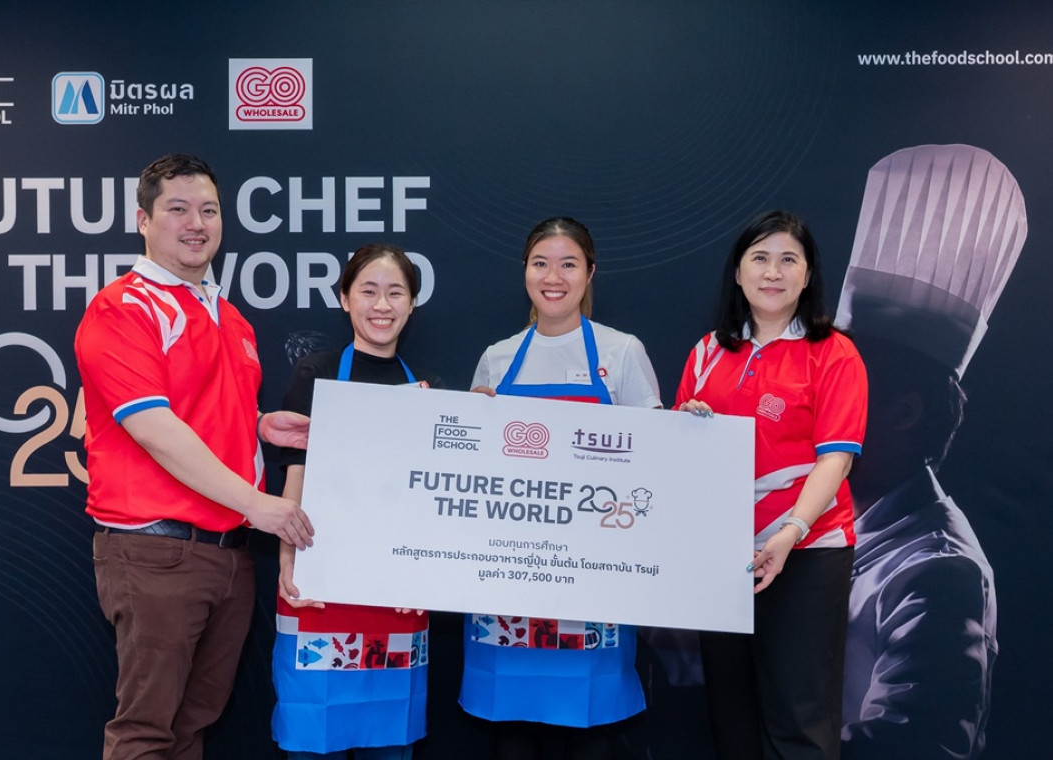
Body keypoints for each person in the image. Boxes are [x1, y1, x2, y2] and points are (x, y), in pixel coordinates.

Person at [74, 153, 315, 760]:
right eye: (177, 209)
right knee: (146, 731)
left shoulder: (229, 317)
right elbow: (155, 428)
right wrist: (259, 504)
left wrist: (260, 425)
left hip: (227, 554)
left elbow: (197, 411)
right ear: (143, 220)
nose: (196, 223)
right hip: (157, 552)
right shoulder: (123, 308)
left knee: (191, 728)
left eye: (208, 210)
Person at [835, 144, 1025, 759]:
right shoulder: (815, 515)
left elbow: (911, 747)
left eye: (839, 387)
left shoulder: (940, 571)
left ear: (904, 411)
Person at [461, 217, 662, 760]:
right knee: (513, 737)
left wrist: (684, 430)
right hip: (509, 575)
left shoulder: (621, 352)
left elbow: (654, 463)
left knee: (590, 736)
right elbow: (471, 472)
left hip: (593, 575)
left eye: (568, 264)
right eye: (540, 263)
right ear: (525, 271)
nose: (553, 277)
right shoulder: (498, 357)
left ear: (590, 273)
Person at [674, 210, 867, 760]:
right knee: (730, 713)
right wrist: (684, 426)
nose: (773, 272)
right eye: (759, 258)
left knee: (799, 715)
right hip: (723, 556)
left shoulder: (834, 352)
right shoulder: (707, 352)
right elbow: (679, 460)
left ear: (808, 275)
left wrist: (791, 530)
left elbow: (836, 459)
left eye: (788, 259)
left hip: (807, 550)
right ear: (738, 273)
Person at [271, 244, 440, 760]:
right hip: (320, 585)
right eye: (368, 291)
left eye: (396, 293)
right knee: (312, 739)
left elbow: (431, 501)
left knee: (388, 740)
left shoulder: (427, 390)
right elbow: (296, 476)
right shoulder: (315, 374)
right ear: (345, 299)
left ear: (412, 303)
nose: (382, 305)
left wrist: (424, 573)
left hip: (397, 594)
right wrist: (287, 561)